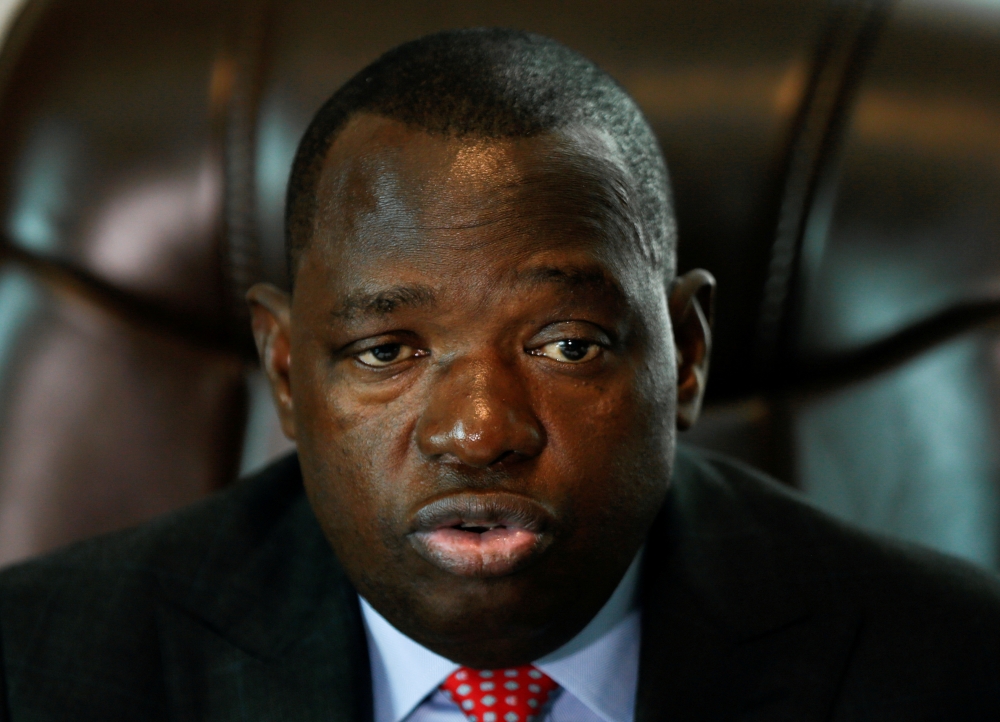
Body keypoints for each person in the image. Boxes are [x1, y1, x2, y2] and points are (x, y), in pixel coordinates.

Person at [1, 27, 999, 722]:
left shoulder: (946, 664)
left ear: (685, 354)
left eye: (565, 343)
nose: (478, 431)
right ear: (286, 369)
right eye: (386, 350)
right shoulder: (42, 665)